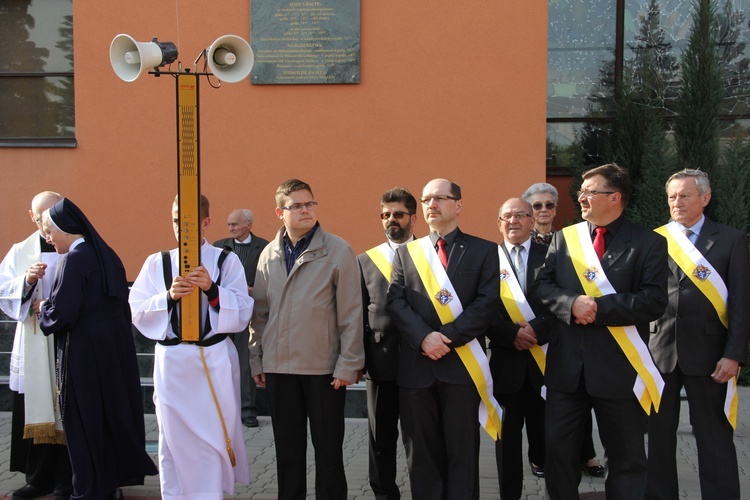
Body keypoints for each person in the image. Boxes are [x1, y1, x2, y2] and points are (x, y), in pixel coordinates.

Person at [533, 163, 668, 499]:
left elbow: (653, 300)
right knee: (559, 453)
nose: (581, 197)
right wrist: (571, 303)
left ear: (615, 197)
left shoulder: (648, 243)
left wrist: (598, 308)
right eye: (581, 191)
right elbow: (543, 287)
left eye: (590, 191)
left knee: (626, 457)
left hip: (619, 369)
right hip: (566, 371)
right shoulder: (566, 238)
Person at [130, 195, 252, 499]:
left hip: (214, 357)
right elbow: (135, 310)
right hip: (172, 360)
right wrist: (168, 297)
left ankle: (211, 493)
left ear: (205, 222)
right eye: (175, 222)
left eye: (187, 224)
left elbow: (243, 309)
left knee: (213, 434)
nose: (180, 230)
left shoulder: (226, 260)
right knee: (174, 436)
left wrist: (212, 290)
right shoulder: (157, 262)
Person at [249, 179, 364, 500]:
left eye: (309, 204)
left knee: (328, 454)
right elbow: (260, 313)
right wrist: (257, 358)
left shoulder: (338, 250)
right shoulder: (268, 254)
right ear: (279, 212)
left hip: (324, 370)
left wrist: (349, 364)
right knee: (288, 454)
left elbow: (352, 312)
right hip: (279, 369)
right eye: (296, 205)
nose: (305, 210)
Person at [386, 178, 500, 500]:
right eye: (426, 200)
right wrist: (424, 338)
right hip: (416, 369)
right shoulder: (408, 253)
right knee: (421, 455)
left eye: (440, 198)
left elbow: (486, 304)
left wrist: (444, 339)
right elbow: (396, 301)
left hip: (462, 369)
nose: (431, 205)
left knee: (462, 454)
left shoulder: (485, 250)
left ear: (458, 205)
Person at [36, 198, 158, 500]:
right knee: (110, 415)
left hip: (84, 353)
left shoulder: (73, 260)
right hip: (114, 349)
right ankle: (110, 483)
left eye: (51, 232)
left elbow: (62, 313)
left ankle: (90, 489)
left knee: (85, 420)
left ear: (65, 230)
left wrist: (42, 310)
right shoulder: (107, 254)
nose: (48, 239)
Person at [646, 169, 750, 500]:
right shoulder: (654, 239)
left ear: (705, 198)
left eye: (685, 195)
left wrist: (734, 354)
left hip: (710, 354)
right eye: (672, 196)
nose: (677, 202)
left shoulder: (731, 239)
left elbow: (742, 302)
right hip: (659, 352)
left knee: (714, 437)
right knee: (658, 437)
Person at [522, 182, 605, 479]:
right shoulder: (520, 242)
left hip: (564, 328)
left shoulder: (571, 241)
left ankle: (586, 454)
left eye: (549, 205)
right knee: (537, 402)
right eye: (537, 206)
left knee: (578, 397)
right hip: (530, 334)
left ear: (556, 209)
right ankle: (540, 456)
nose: (543, 211)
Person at [0, 191, 72, 500]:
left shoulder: (76, 245)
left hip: (69, 340)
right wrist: (26, 282)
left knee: (70, 408)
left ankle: (67, 480)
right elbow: (4, 292)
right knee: (36, 404)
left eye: (54, 214)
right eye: (42, 217)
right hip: (33, 340)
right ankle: (39, 478)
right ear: (33, 217)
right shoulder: (21, 251)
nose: (48, 223)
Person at [488, 198, 550, 500]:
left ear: (532, 220)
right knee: (507, 442)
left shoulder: (552, 254)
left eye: (521, 215)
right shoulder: (486, 258)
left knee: (549, 441)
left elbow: (564, 299)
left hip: (546, 364)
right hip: (506, 364)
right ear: (499, 222)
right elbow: (479, 307)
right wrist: (509, 333)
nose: (513, 221)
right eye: (507, 216)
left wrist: (538, 330)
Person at [357, 187, 418, 500]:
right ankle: (384, 494)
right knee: (380, 438)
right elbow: (357, 314)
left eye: (398, 214)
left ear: (412, 218)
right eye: (385, 215)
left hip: (422, 362)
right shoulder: (366, 260)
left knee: (420, 438)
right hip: (380, 363)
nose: (391, 220)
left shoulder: (431, 256)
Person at [213, 208, 269, 428]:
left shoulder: (264, 248)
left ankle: (247, 411)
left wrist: (254, 290)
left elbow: (269, 278)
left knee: (246, 363)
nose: (231, 228)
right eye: (229, 225)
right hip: (223, 311)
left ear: (248, 225)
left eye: (235, 224)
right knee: (221, 360)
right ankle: (223, 410)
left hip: (250, 313)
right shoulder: (219, 247)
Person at [523, 182, 559, 246]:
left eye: (549, 205)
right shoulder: (523, 241)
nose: (544, 210)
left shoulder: (563, 241)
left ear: (555, 210)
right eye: (537, 205)